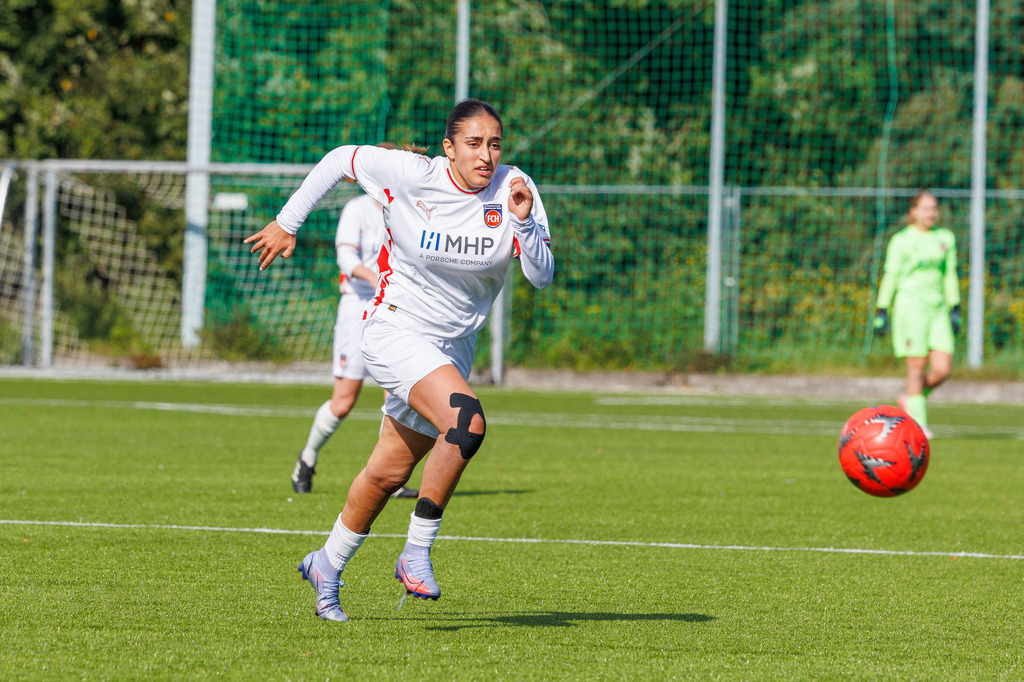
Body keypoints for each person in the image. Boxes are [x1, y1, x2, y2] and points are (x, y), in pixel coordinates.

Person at [245, 98, 554, 622]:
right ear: (448, 148)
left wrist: (524, 223)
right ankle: (416, 551)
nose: (486, 155)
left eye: (495, 144)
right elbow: (340, 158)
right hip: (394, 330)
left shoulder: (515, 188)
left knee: (387, 472)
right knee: (468, 423)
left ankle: (327, 563)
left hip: (452, 350)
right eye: (474, 144)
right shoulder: (411, 175)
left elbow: (542, 276)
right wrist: (286, 222)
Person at [291, 142, 416, 500]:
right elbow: (346, 258)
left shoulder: (408, 208)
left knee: (396, 394)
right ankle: (307, 457)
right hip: (357, 308)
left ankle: (390, 477)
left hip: (392, 310)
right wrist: (376, 278)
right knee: (344, 401)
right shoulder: (357, 208)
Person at [873, 189, 961, 439]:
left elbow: (950, 273)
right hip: (910, 308)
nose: (931, 213)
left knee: (943, 369)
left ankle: (912, 397)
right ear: (913, 212)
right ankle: (918, 423)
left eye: (934, 208)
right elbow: (891, 275)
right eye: (925, 208)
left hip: (937, 310)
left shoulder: (945, 238)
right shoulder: (902, 240)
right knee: (916, 368)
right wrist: (882, 308)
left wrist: (955, 306)